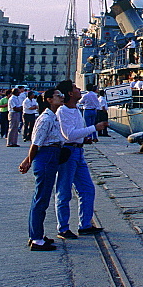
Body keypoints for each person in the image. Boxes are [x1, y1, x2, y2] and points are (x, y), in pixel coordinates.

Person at [55, 80, 109, 239]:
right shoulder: (63, 111)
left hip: (78, 151)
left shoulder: (76, 109)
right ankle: (63, 228)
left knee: (87, 189)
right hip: (68, 153)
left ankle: (85, 225)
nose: (79, 89)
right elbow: (69, 135)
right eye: (75, 88)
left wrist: (84, 139)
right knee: (64, 192)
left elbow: (76, 132)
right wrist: (94, 129)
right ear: (70, 94)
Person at [19, 88, 66, 251]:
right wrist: (28, 161)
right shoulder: (45, 119)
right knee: (41, 198)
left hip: (51, 155)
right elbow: (36, 143)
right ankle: (36, 239)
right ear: (48, 100)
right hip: (46, 157)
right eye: (57, 96)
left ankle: (37, 233)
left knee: (42, 198)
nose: (61, 97)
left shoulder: (53, 117)